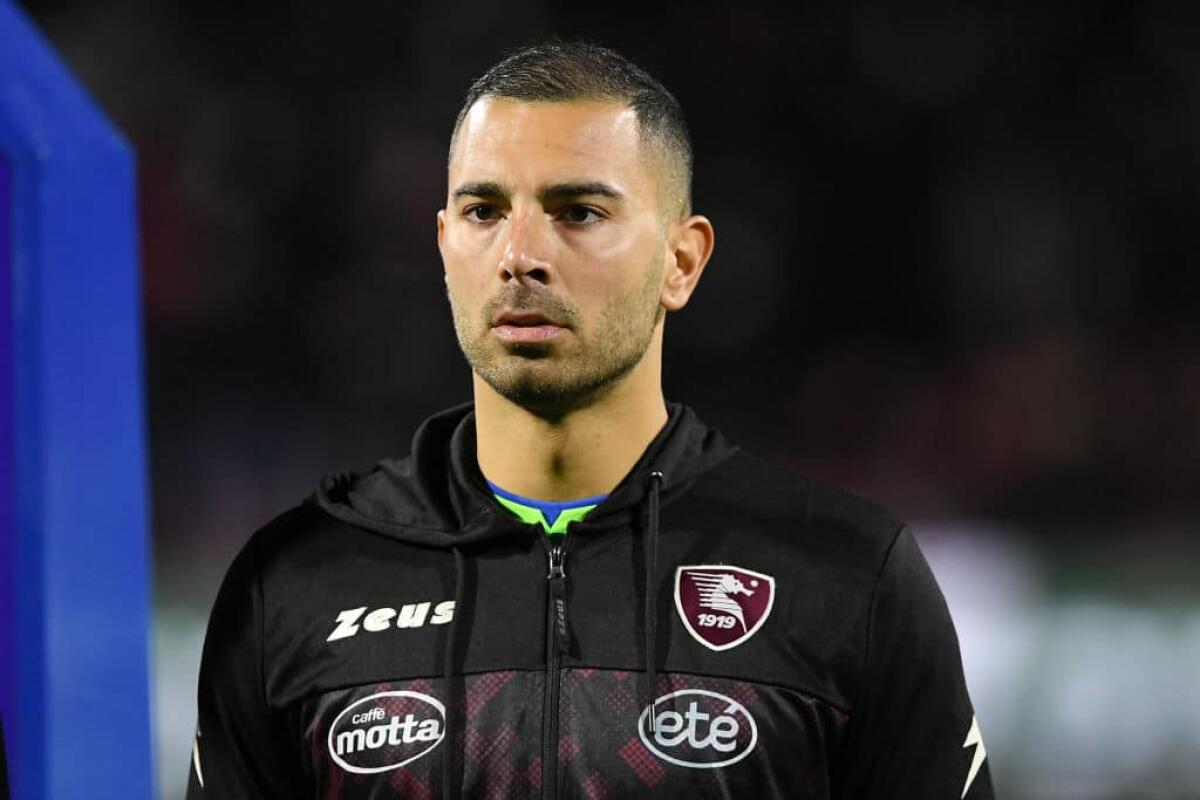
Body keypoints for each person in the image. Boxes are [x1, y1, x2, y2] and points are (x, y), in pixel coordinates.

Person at [187, 41, 994, 800]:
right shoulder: (292, 587)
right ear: (442, 246)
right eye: (483, 211)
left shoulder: (846, 577)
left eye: (577, 212)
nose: (520, 253)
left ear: (682, 261)